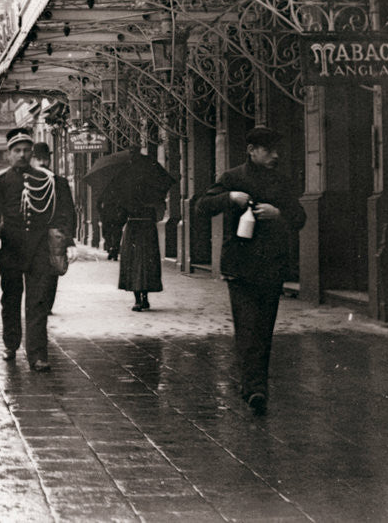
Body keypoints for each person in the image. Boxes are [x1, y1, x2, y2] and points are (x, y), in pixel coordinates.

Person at [195, 126, 306, 416]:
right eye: (268, 150)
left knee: (264, 330)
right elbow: (201, 206)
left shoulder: (282, 181)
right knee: (247, 328)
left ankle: (256, 387)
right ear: (251, 150)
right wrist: (230, 197)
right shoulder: (232, 178)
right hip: (241, 267)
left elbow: (299, 217)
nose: (275, 156)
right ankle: (254, 387)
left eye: (276, 150)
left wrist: (278, 213)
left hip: (272, 266)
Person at [0, 128, 69, 372]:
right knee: (10, 299)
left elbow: (61, 213)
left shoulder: (47, 179)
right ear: (9, 153)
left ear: (32, 153)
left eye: (26, 150)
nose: (22, 154)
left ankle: (37, 355)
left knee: (38, 301)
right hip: (10, 248)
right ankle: (10, 344)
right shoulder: (1, 181)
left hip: (40, 248)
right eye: (17, 150)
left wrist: (66, 242)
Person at [117, 151, 173, 312]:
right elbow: (159, 213)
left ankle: (137, 300)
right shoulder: (154, 187)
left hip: (133, 229)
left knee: (133, 263)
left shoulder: (125, 187)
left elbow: (120, 215)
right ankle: (145, 298)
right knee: (147, 263)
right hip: (148, 229)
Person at [30, 142, 77, 315]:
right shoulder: (26, 182)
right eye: (38, 159)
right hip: (33, 236)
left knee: (53, 270)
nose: (42, 162)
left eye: (45, 158)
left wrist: (70, 241)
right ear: (32, 160)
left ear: (49, 159)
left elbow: (69, 212)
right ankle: (37, 303)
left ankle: (47, 306)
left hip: (55, 235)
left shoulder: (60, 182)